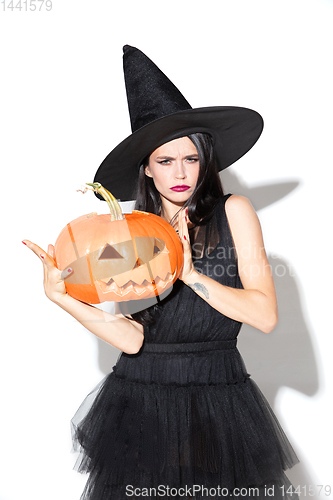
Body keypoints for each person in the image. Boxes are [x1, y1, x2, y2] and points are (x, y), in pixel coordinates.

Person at [23, 46, 299, 499]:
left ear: (205, 161)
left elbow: (265, 315)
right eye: (165, 161)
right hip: (140, 397)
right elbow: (133, 339)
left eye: (190, 159)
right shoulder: (128, 234)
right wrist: (63, 298)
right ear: (147, 170)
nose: (180, 172)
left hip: (218, 397)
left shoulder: (235, 212)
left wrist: (192, 276)